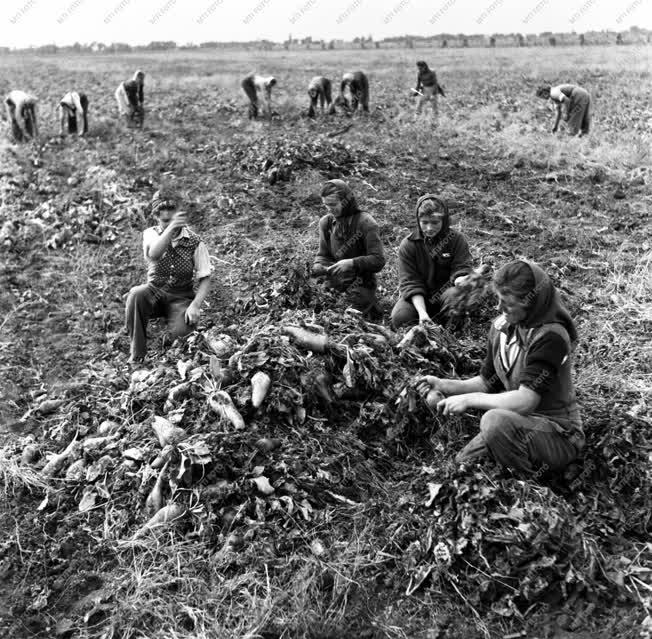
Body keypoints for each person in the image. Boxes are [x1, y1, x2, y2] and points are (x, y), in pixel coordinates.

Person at [417, 259, 584, 475]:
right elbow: (487, 382)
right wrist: (443, 384)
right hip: (518, 423)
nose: (499, 308)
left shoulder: (550, 337)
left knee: (494, 421)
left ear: (530, 303)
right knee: (463, 463)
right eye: (498, 299)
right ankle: (512, 463)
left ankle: (529, 482)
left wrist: (468, 400)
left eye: (507, 303)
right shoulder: (502, 328)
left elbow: (525, 401)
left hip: (557, 432)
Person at [125, 188, 212, 364]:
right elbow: (154, 255)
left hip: (180, 297)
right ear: (157, 218)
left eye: (172, 219)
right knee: (136, 294)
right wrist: (170, 227)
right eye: (164, 220)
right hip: (154, 292)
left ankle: (173, 342)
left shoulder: (194, 242)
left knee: (183, 336)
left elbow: (205, 277)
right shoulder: (151, 234)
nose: (168, 223)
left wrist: (195, 305)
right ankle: (137, 355)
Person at [391, 194, 473, 329]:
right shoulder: (409, 245)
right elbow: (410, 282)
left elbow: (462, 267)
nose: (429, 228)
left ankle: (451, 328)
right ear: (418, 221)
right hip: (418, 297)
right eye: (424, 222)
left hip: (447, 294)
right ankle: (425, 321)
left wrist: (461, 279)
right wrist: (422, 313)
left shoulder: (456, 239)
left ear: (444, 221)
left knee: (456, 302)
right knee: (400, 318)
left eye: (435, 223)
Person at [312, 179, 385, 317]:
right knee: (319, 305)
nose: (329, 209)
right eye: (326, 205)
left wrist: (351, 263)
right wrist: (318, 266)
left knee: (352, 313)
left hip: (360, 282)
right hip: (334, 279)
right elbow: (323, 254)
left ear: (346, 201)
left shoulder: (366, 223)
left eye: (333, 204)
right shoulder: (326, 223)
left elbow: (378, 260)